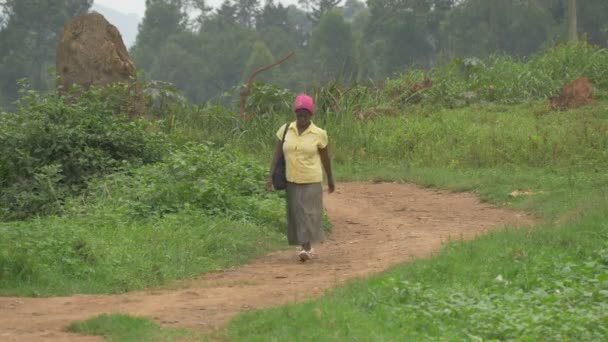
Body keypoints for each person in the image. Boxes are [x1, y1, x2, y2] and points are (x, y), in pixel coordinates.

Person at [267, 94, 335, 262]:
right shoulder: (285, 130)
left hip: (311, 178)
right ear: (295, 114)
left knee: (310, 213)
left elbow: (325, 158)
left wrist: (330, 179)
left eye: (305, 115)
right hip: (292, 178)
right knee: (296, 214)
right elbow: (277, 154)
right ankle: (305, 247)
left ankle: (306, 247)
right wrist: (270, 175)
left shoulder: (319, 134)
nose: (302, 118)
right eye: (299, 115)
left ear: (311, 115)